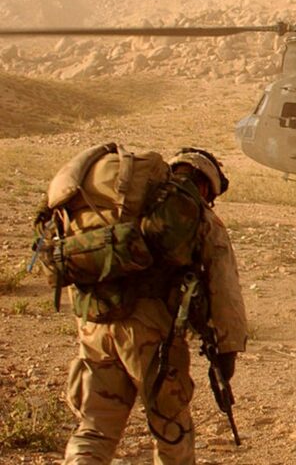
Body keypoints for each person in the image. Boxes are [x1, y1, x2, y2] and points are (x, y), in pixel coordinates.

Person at [61, 147, 248, 464]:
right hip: (149, 335)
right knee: (171, 429)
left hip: (95, 322)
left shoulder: (122, 205)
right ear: (205, 185)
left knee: (94, 429)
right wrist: (228, 349)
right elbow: (224, 290)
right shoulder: (196, 215)